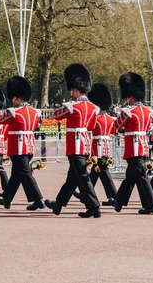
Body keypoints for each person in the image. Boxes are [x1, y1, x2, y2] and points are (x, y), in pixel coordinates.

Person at [45, 64, 100, 217]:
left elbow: (55, 115)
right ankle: (58, 203)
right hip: (85, 145)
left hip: (75, 146)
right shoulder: (93, 108)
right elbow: (91, 126)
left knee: (81, 176)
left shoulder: (72, 106)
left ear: (76, 89)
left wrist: (67, 104)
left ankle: (94, 206)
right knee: (72, 177)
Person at [111, 72, 153, 215]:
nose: (126, 100)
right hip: (142, 146)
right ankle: (119, 201)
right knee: (131, 175)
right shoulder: (147, 111)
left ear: (130, 96)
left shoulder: (128, 111)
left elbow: (115, 127)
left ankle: (152, 205)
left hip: (134, 147)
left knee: (141, 176)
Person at [0, 76, 44, 211]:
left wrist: (9, 111)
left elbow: (1, 120)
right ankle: (7, 197)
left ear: (17, 98)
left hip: (18, 147)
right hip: (29, 146)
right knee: (17, 174)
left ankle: (38, 199)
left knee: (25, 173)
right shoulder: (35, 112)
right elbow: (36, 125)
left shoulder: (14, 112)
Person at [85, 83, 118, 206]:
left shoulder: (97, 119)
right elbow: (114, 131)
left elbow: (88, 127)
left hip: (97, 147)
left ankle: (114, 196)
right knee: (96, 171)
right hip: (106, 146)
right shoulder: (110, 119)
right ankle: (86, 194)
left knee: (102, 171)